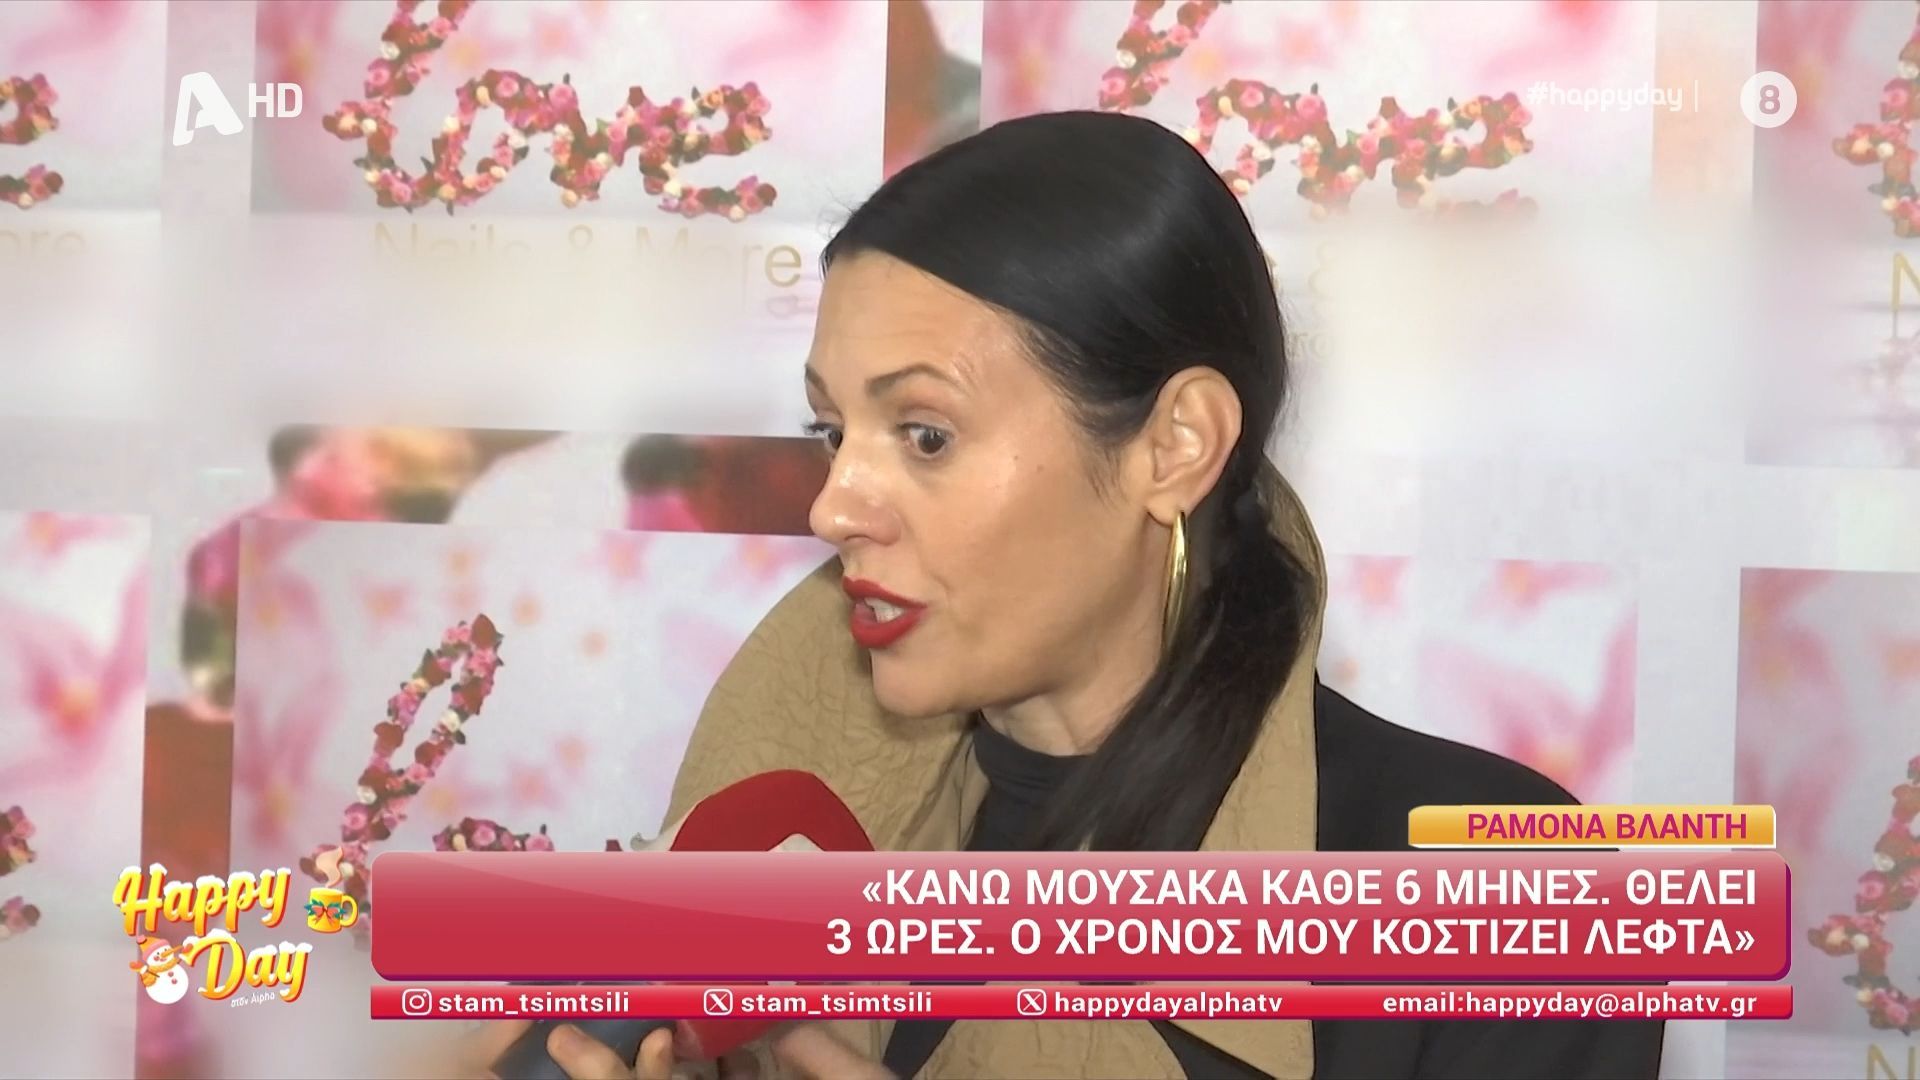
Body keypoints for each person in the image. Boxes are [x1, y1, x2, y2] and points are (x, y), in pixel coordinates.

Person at [475, 110, 1666, 1079]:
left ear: (1175, 447)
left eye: (925, 434)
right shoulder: (787, 824)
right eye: (834, 433)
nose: (835, 507)